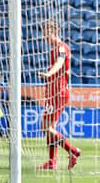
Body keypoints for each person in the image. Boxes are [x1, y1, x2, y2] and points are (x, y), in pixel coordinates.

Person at [37, 21, 81, 170]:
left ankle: (72, 151)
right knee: (51, 128)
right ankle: (52, 162)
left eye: (46, 33)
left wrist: (49, 73)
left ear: (54, 31)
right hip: (54, 93)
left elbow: (60, 63)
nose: (44, 37)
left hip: (59, 93)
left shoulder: (62, 47)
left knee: (45, 127)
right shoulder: (53, 49)